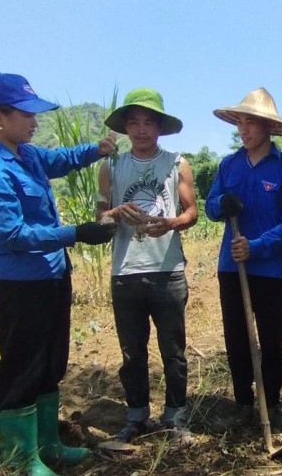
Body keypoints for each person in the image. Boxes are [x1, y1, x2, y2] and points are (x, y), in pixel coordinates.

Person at [0, 73, 119, 475]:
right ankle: (20, 458)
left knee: (50, 362)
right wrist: (76, 233)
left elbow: (58, 159)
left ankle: (47, 443)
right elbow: (12, 234)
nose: (35, 121)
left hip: (51, 277)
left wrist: (95, 150)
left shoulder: (25, 154)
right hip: (19, 284)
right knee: (22, 367)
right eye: (27, 113)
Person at [96, 88, 198, 446]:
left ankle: (175, 417)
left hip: (167, 270)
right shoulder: (110, 166)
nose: (141, 130)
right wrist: (114, 213)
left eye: (149, 122)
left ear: (160, 127)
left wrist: (171, 223)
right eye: (134, 122)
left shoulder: (176, 163)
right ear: (125, 127)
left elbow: (191, 212)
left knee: (173, 350)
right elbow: (100, 216)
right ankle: (136, 417)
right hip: (125, 272)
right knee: (131, 352)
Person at [205, 88, 282, 423]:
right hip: (231, 266)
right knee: (236, 336)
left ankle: (271, 405)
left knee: (271, 338)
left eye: (251, 123)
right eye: (240, 123)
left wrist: (257, 246)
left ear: (268, 128)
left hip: (270, 269)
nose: (244, 130)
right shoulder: (229, 165)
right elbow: (210, 205)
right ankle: (243, 404)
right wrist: (222, 205)